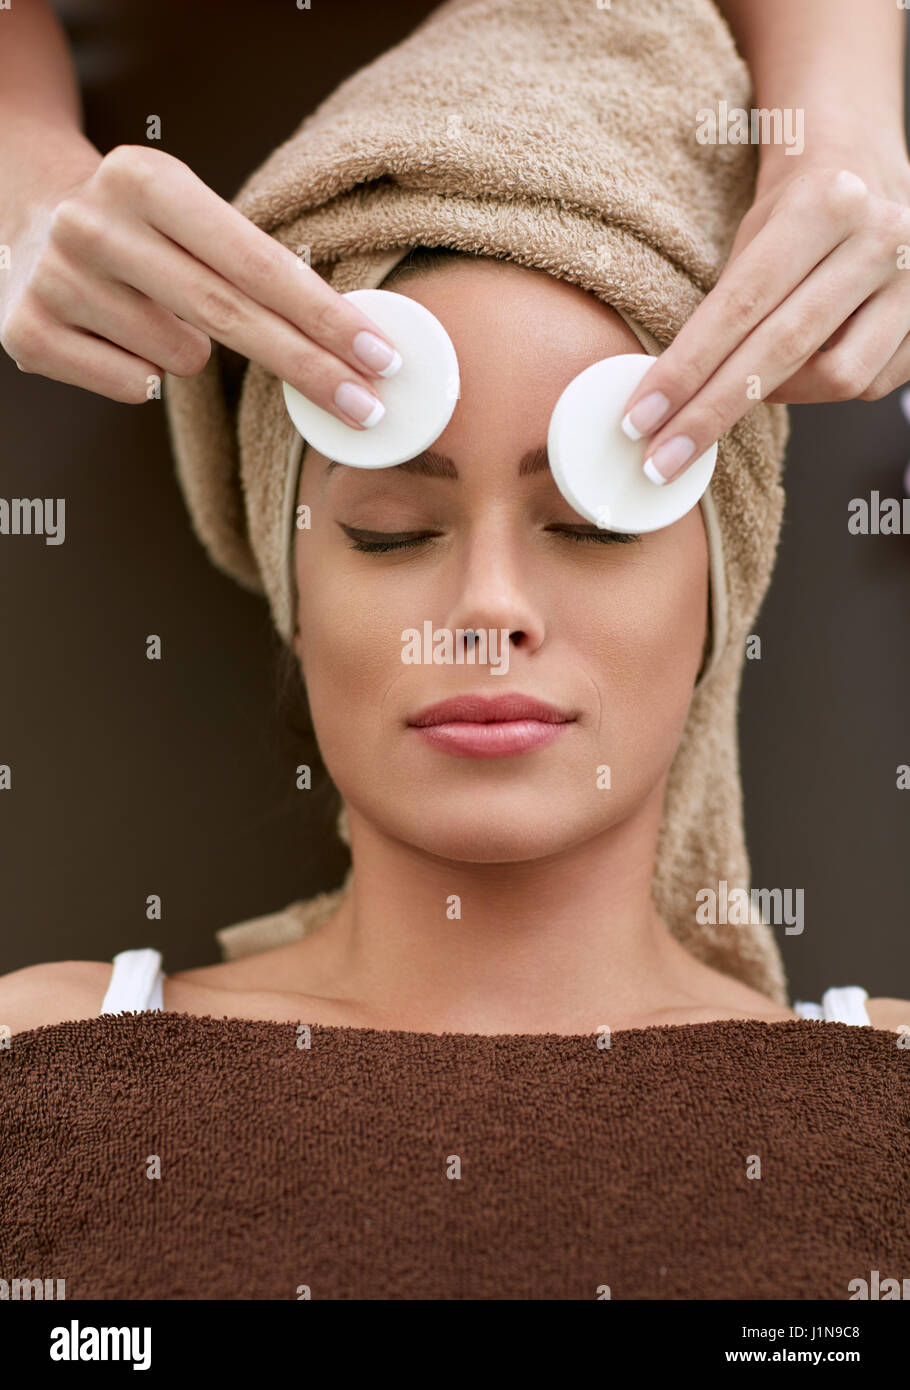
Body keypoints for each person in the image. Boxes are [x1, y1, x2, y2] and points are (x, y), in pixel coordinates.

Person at [3, 250, 909, 1035]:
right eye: (390, 531)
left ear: (721, 598)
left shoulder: (882, 1087)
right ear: (297, 596)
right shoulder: (46, 1050)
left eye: (593, 529)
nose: (488, 608)